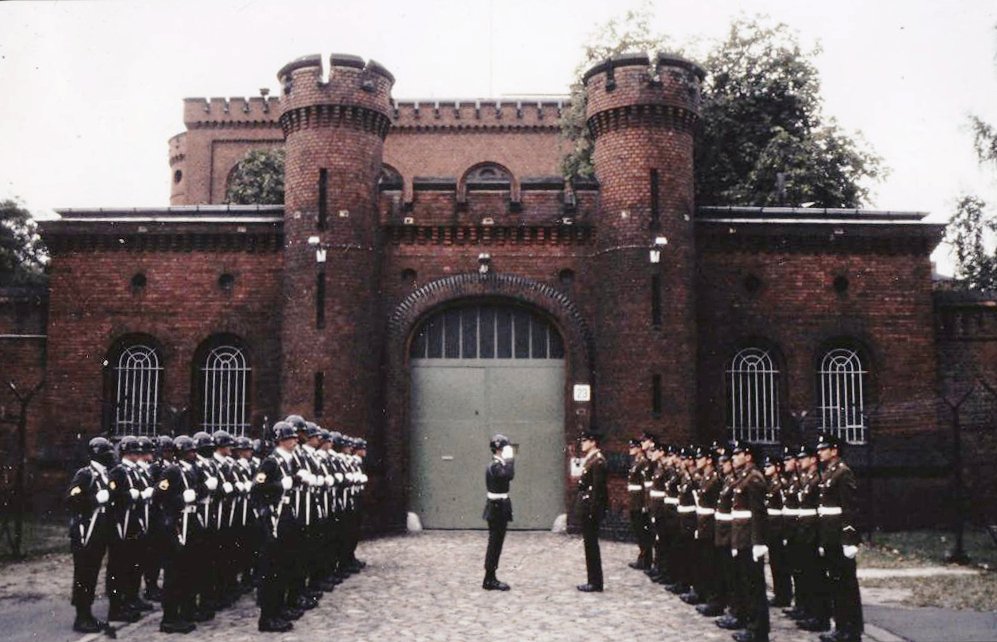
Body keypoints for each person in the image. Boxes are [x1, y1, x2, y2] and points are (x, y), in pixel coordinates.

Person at [251, 421, 300, 633]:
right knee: (271, 569)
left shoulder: (287, 461)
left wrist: (297, 480)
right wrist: (281, 485)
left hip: (286, 517)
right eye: (291, 437)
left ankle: (277, 611)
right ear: (281, 440)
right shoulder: (271, 462)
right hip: (274, 519)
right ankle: (267, 617)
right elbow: (257, 489)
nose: (295, 440)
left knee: (284, 566)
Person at [816, 433, 864, 642]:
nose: (819, 452)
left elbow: (850, 508)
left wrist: (849, 539)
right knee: (836, 584)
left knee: (846, 585)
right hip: (830, 537)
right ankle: (842, 626)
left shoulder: (843, 473)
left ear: (834, 450)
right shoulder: (828, 473)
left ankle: (851, 630)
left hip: (839, 538)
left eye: (823, 448)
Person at [67, 436, 116, 634]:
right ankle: (81, 616)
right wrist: (93, 499)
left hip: (99, 532)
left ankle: (87, 614)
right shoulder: (85, 475)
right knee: (84, 574)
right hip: (86, 532)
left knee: (92, 574)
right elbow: (71, 499)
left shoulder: (105, 475)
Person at [728, 441, 769, 642]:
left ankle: (758, 630)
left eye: (738, 454)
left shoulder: (754, 478)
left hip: (751, 541)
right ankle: (751, 625)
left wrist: (758, 543)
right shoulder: (744, 476)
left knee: (754, 587)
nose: (734, 458)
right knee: (747, 584)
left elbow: (758, 513)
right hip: (742, 539)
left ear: (748, 456)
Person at [482, 433, 515, 590]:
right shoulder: (495, 466)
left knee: (497, 542)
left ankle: (491, 576)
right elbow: (509, 475)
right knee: (495, 542)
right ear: (500, 449)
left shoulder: (499, 464)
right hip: (496, 507)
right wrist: (510, 459)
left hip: (500, 506)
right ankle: (489, 578)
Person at [576, 430, 608, 592]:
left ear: (593, 442)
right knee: (589, 545)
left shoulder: (598, 461)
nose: (582, 443)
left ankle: (595, 582)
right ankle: (593, 580)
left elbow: (597, 490)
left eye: (585, 440)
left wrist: (593, 511)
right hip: (587, 507)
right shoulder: (591, 460)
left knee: (591, 545)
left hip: (591, 509)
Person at [626, 437, 652, 570]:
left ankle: (645, 559)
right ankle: (642, 557)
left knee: (642, 532)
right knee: (638, 530)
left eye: (633, 447)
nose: (631, 450)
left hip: (639, 502)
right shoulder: (636, 462)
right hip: (634, 501)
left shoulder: (643, 463)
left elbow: (646, 487)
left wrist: (645, 505)